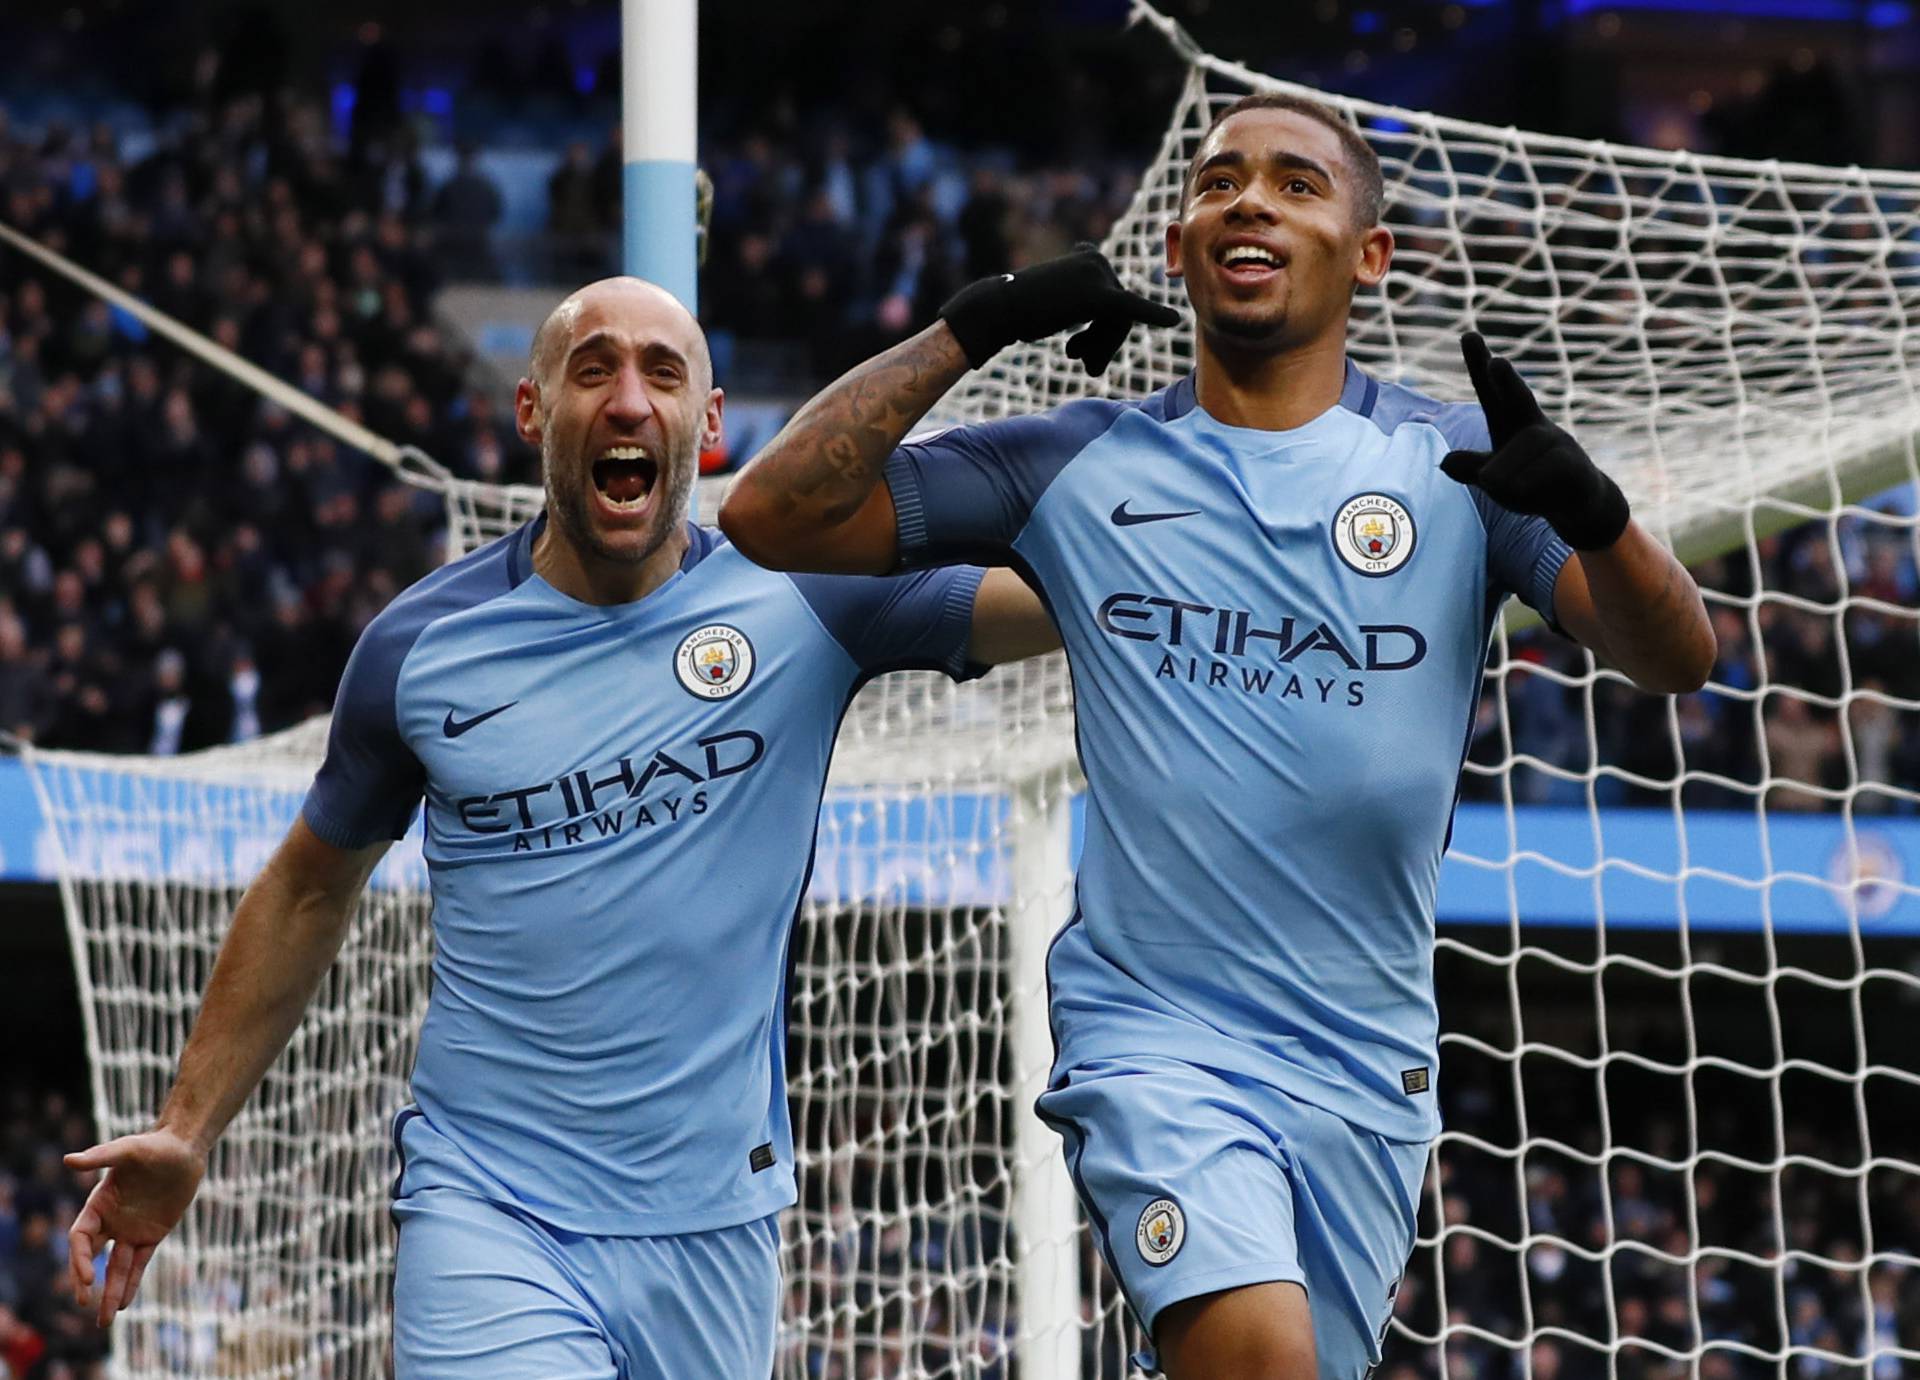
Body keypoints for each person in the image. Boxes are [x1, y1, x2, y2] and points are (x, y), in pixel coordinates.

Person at [718, 93, 1716, 1379]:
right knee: (1256, 1354)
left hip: (1366, 1070)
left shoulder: (1461, 466)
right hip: (1157, 1036)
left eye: (1297, 184)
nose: (1248, 199)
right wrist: (974, 328)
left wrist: (1595, 513)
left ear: (1370, 253)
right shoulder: (1075, 461)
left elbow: (1675, 656)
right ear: (1180, 248)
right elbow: (773, 517)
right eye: (1218, 182)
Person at [61, 277, 1058, 1378]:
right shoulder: (419, 652)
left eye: (662, 373)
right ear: (532, 412)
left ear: (711, 424)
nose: (628, 400)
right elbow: (307, 887)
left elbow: (1063, 604)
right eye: (594, 369)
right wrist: (188, 1128)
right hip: (491, 1207)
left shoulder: (809, 593)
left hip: (714, 1218)